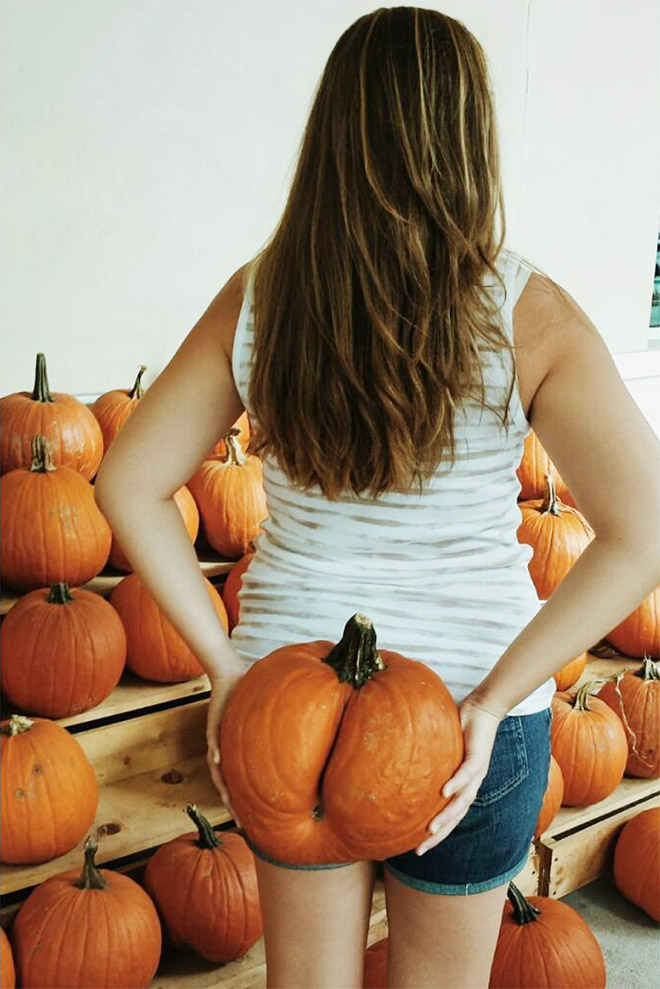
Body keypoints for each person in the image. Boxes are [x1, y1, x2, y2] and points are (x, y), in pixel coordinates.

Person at [94, 7, 660, 988]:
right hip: (469, 712)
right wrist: (489, 703)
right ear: (471, 137)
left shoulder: (263, 296)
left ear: (335, 133)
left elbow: (126, 482)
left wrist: (230, 674)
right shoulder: (531, 311)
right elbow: (643, 530)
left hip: (291, 706)